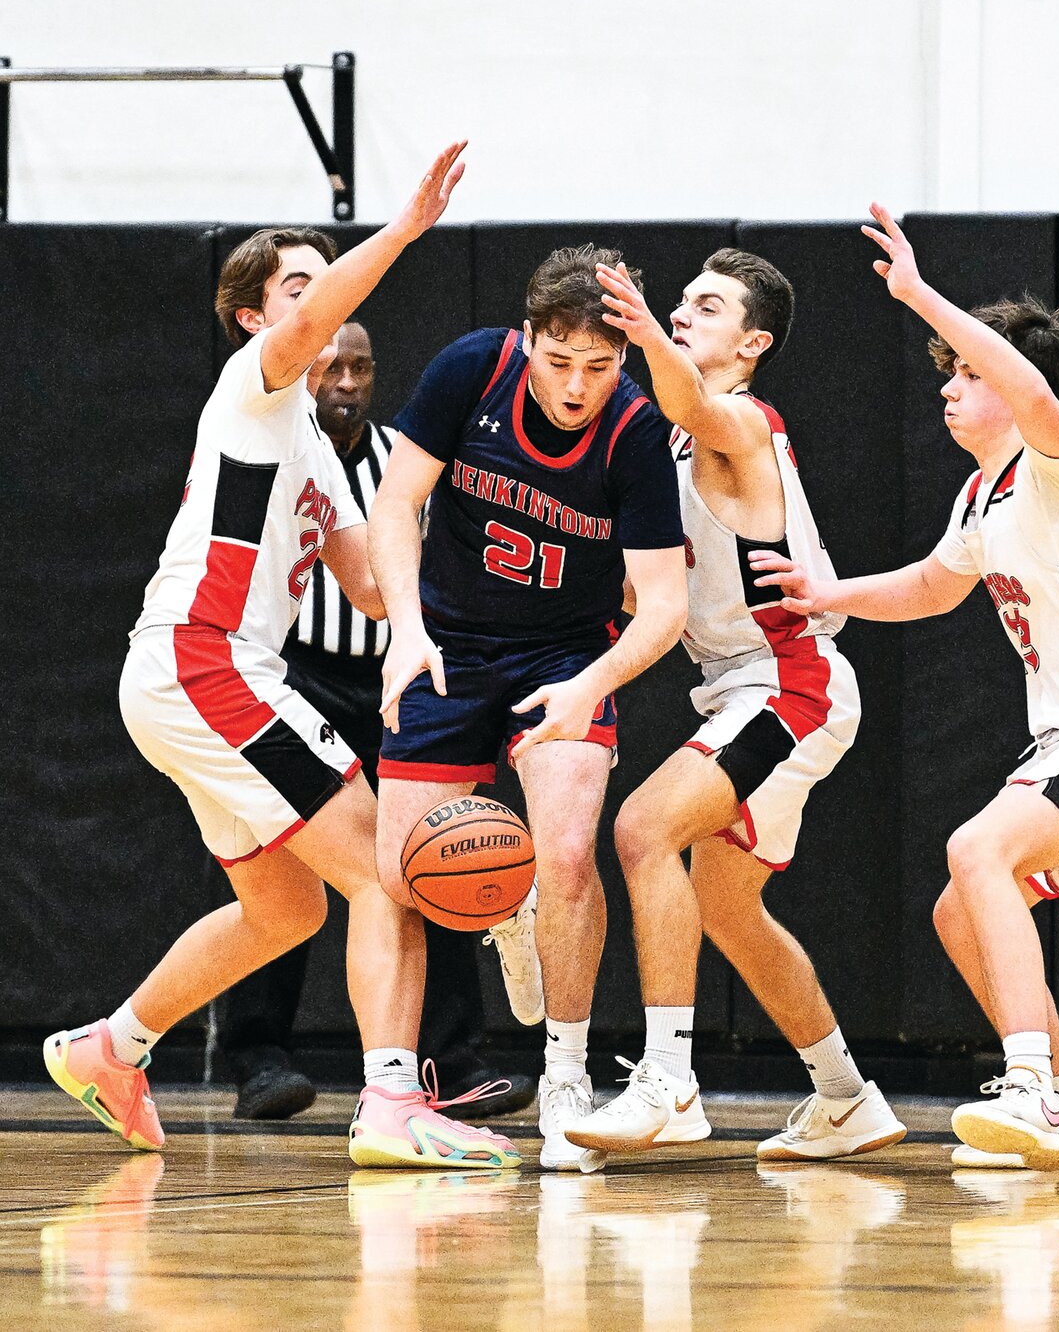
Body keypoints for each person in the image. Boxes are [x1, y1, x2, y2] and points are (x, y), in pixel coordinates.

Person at [44, 143, 521, 1171]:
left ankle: (108, 1048)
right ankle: (393, 1102)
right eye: (297, 285)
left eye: (323, 274)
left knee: (288, 904)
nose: (317, 302)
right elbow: (312, 326)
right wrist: (398, 233)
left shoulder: (316, 440)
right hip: (203, 662)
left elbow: (367, 585)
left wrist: (479, 622)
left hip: (202, 678)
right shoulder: (251, 390)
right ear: (254, 316)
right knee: (387, 873)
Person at [750, 204, 1059, 1170]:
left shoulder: (1054, 464)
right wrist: (828, 592)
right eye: (949, 372)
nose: (949, 387)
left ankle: (1030, 1086)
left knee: (974, 847)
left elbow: (1031, 387)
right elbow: (928, 586)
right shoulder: (978, 495)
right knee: (961, 907)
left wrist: (918, 294)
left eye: (964, 372)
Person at [559, 251, 906, 1162]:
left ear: (753, 342)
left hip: (790, 680)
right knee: (728, 908)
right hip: (739, 686)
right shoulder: (669, 441)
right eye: (678, 301)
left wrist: (633, 323)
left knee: (642, 829)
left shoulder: (739, 421)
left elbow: (689, 404)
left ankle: (668, 1080)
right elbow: (649, 594)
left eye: (704, 307)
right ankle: (846, 1098)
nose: (680, 312)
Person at [367, 245, 689, 1171]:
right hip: (448, 644)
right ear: (528, 337)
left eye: (600, 366)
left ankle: (567, 1074)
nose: (579, 386)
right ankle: (506, 907)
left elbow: (663, 605)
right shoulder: (472, 367)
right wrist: (406, 627)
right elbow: (396, 506)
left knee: (569, 853)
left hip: (565, 653)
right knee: (403, 874)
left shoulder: (633, 429)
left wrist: (591, 683)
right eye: (561, 363)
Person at [217, 320, 535, 1122]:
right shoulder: (272, 445)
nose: (348, 381)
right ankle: (260, 1057)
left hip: (401, 675)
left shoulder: (407, 453)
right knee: (289, 875)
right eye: (333, 364)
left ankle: (450, 1061)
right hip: (303, 676)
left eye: (362, 365)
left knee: (437, 858)